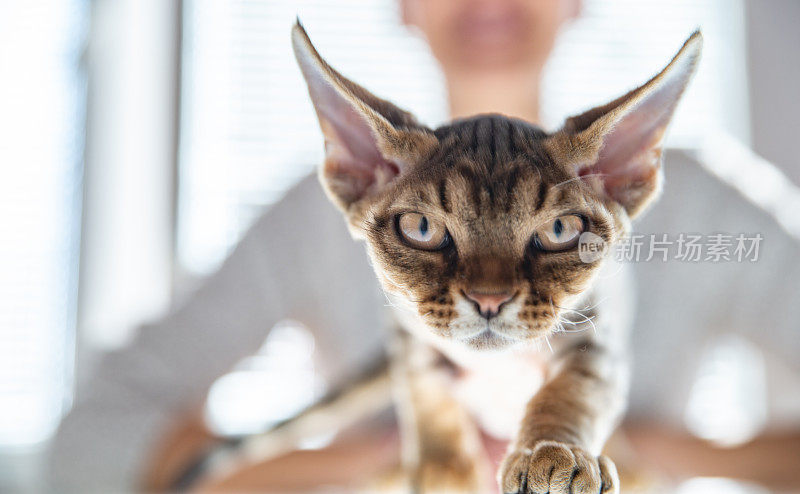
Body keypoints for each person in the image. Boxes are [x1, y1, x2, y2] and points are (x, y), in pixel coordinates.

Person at [49, 0, 800, 491]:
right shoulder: (322, 216)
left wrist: (659, 451)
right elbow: (85, 448)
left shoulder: (702, 207)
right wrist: (378, 458)